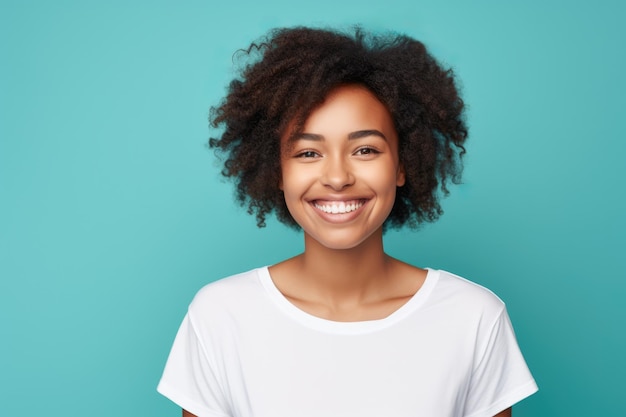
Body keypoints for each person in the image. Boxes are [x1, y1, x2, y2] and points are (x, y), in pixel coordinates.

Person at [157, 26, 538, 417]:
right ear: (277, 170)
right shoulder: (221, 316)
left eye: (365, 149)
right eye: (308, 153)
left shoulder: (472, 318)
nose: (337, 177)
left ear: (402, 165)